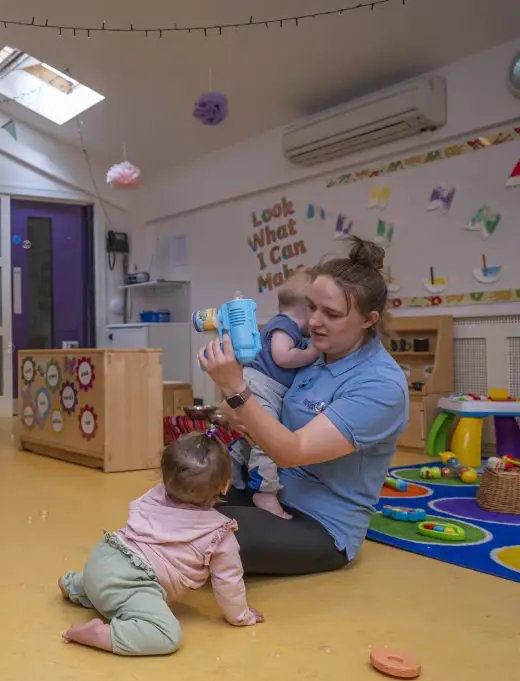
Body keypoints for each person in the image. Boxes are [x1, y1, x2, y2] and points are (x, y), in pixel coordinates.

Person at [198, 236, 408, 576]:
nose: (314, 322)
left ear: (370, 319)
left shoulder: (380, 385)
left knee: (191, 533)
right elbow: (246, 410)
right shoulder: (310, 354)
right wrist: (233, 404)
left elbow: (290, 451)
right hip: (267, 491)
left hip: (318, 523)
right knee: (165, 503)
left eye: (332, 313)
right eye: (311, 307)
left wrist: (235, 387)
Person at [57, 432, 263, 657]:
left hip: (101, 558)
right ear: (225, 486)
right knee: (166, 635)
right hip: (127, 583)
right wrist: (241, 616)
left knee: (111, 585)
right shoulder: (219, 534)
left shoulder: (156, 495)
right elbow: (228, 582)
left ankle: (77, 585)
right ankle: (101, 634)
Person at [227, 269, 319, 519]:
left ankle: (233, 462)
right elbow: (282, 355)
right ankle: (265, 493)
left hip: (263, 386)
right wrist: (310, 353)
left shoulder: (286, 325)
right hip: (261, 385)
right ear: (306, 309)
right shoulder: (284, 325)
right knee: (267, 441)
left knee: (255, 437)